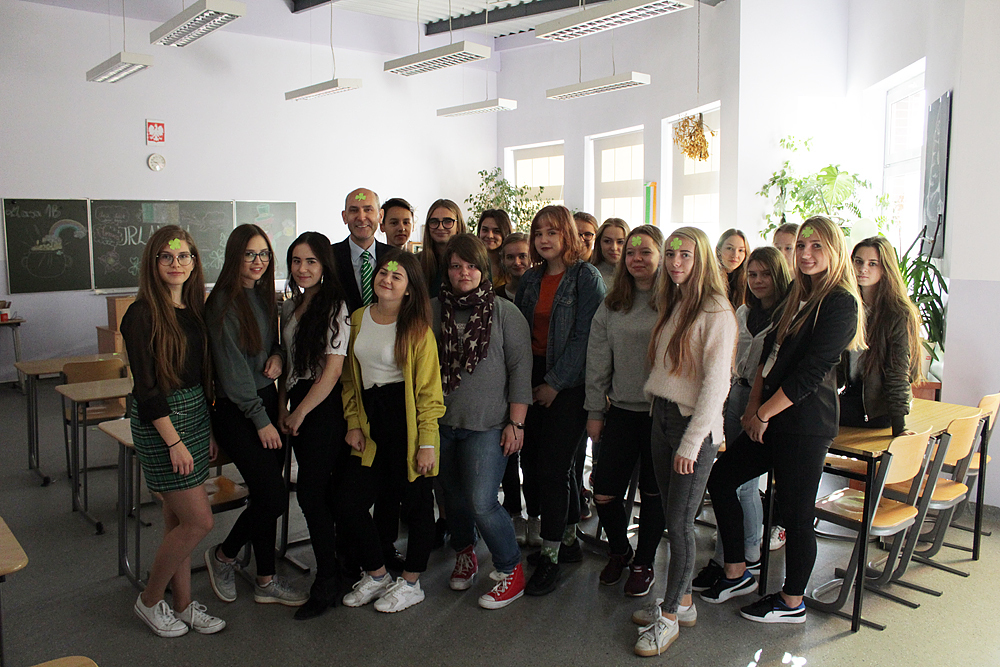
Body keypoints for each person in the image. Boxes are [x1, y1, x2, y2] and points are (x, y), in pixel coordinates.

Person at [705, 215, 864, 625]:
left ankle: (792, 602)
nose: (806, 254)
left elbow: (811, 374)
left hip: (805, 424)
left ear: (834, 250)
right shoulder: (798, 293)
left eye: (816, 246)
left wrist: (763, 413)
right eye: (802, 246)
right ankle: (737, 571)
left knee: (795, 514)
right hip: (770, 416)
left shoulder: (841, 301)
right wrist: (753, 406)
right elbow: (769, 355)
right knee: (721, 478)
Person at [632, 227, 737, 657]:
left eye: (686, 255)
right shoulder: (675, 301)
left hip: (693, 426)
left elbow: (717, 385)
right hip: (662, 415)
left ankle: (671, 614)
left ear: (702, 259)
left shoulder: (716, 311)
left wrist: (692, 443)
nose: (676, 262)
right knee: (668, 515)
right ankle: (685, 602)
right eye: (671, 253)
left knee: (679, 525)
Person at [122, 225, 225, 638]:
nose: (176, 263)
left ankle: (182, 606)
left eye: (184, 256)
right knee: (199, 522)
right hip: (162, 424)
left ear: (194, 262)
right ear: (153, 262)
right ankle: (149, 600)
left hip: (195, 415)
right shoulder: (141, 314)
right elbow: (146, 390)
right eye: (166, 256)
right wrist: (175, 442)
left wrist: (207, 429)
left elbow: (200, 376)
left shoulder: (194, 309)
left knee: (177, 522)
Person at [338, 250, 446, 613]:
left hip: (408, 425)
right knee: (349, 502)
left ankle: (412, 583)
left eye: (396, 276)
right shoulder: (358, 318)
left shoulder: (417, 330)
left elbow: (429, 394)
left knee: (417, 506)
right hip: (371, 424)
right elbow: (350, 380)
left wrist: (427, 443)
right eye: (383, 272)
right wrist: (354, 422)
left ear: (409, 289)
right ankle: (378, 574)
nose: (386, 279)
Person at [204, 224, 307, 608]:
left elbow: (272, 344)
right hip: (238, 410)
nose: (258, 261)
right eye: (249, 254)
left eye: (264, 254)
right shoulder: (222, 304)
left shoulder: (262, 296)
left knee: (265, 496)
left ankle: (265, 579)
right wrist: (261, 421)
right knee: (273, 496)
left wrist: (278, 356)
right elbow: (232, 373)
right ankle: (223, 556)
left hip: (263, 401)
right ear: (235, 256)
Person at [432, 234, 532, 609]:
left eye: (472, 265)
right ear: (447, 270)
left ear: (484, 269)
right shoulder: (431, 311)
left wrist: (516, 424)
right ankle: (465, 552)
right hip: (440, 424)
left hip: (488, 425)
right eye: (456, 266)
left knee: (482, 501)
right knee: (453, 499)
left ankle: (510, 569)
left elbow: (520, 372)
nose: (464, 272)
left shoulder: (505, 313)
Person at [515, 205, 606, 596]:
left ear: (568, 234)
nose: (544, 239)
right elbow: (520, 334)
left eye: (552, 232)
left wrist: (554, 383)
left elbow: (585, 339)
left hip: (570, 384)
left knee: (554, 469)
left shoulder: (586, 278)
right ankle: (567, 542)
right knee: (541, 467)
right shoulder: (531, 278)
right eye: (538, 233)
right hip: (532, 377)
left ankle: (550, 559)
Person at [693, 246, 792, 596]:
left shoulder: (787, 316)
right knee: (730, 481)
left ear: (779, 276)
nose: (758, 281)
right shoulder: (743, 311)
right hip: (738, 392)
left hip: (765, 403)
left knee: (744, 484)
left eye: (765, 274)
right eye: (752, 274)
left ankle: (747, 554)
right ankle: (730, 557)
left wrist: (759, 408)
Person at [586, 225, 665, 598]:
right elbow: (597, 361)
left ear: (661, 255)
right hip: (620, 410)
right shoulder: (612, 303)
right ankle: (620, 550)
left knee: (652, 495)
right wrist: (594, 410)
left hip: (661, 415)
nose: (636, 258)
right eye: (631, 252)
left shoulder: (675, 302)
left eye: (645, 252)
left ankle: (644, 562)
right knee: (604, 492)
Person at [277, 232, 352, 620]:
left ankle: (327, 580)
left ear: (324, 265)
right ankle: (337, 569)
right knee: (318, 493)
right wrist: (282, 408)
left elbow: (333, 371)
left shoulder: (335, 305)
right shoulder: (291, 306)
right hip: (297, 402)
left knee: (310, 494)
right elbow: (286, 363)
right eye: (296, 261)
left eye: (311, 261)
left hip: (323, 407)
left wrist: (300, 412)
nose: (302, 268)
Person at [839, 236, 921, 436]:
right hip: (852, 396)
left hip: (876, 410)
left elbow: (897, 372)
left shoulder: (897, 313)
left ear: (885, 268)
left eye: (872, 264)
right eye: (858, 261)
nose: (863, 269)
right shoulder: (848, 306)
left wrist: (899, 427)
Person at [495, 231, 533, 543]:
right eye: (511, 257)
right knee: (507, 452)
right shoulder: (494, 296)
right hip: (500, 387)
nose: (517, 262)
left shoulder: (539, 293)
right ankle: (511, 511)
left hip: (535, 382)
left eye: (523, 256)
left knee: (531, 455)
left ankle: (535, 515)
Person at [333, 188, 392, 313]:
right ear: (344, 217)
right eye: (354, 210)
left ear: (380, 216)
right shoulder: (329, 257)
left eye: (368, 210)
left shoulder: (395, 257)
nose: (361, 217)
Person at [418, 198, 467, 299]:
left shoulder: (475, 261)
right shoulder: (416, 262)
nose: (440, 227)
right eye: (434, 222)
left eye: (448, 221)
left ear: (458, 226)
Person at [477, 209, 513, 290]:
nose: (490, 236)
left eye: (496, 231)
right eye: (485, 230)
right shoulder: (471, 263)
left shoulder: (513, 263)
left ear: (505, 233)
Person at [591, 218, 630, 288]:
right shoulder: (590, 275)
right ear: (599, 243)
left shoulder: (636, 274)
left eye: (620, 242)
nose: (614, 248)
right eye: (607, 241)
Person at [717, 228, 749, 308]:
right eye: (729, 248)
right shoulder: (710, 277)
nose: (735, 255)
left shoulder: (749, 279)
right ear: (718, 250)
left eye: (741, 250)